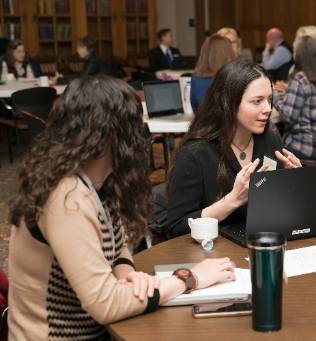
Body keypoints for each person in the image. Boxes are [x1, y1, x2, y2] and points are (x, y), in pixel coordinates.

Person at [8, 75, 235, 340]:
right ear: (114, 135)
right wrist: (188, 279)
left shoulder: (96, 180)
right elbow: (105, 305)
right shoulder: (66, 197)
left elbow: (117, 245)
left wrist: (126, 272)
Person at [166, 61, 301, 239]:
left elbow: (276, 208)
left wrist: (294, 183)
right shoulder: (196, 153)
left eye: (269, 100)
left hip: (260, 244)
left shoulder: (269, 139)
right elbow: (176, 227)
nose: (268, 109)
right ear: (228, 103)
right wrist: (232, 200)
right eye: (257, 101)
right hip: (214, 256)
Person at [273, 36, 316, 160]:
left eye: (295, 51)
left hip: (302, 146)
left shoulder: (300, 79)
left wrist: (273, 95)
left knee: (269, 150)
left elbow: (288, 116)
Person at [191, 34, 236, 112]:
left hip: (204, 123)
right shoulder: (234, 80)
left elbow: (195, 108)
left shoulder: (196, 80)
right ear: (227, 55)